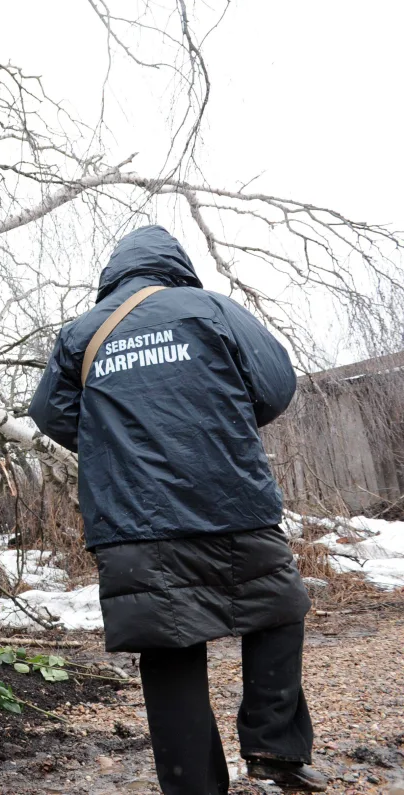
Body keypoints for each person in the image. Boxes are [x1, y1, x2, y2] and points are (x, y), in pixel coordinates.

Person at [29, 225, 327, 794]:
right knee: (279, 607)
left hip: (132, 523)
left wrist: (116, 442)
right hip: (230, 501)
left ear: (113, 272)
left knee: (169, 652)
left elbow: (51, 414)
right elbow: (275, 383)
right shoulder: (211, 308)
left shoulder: (82, 333)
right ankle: (273, 746)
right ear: (176, 264)